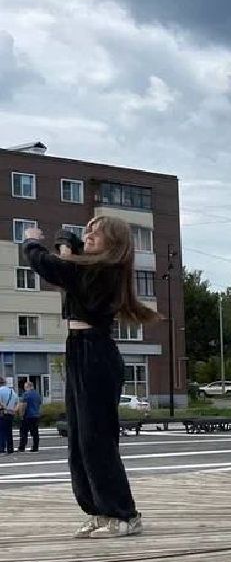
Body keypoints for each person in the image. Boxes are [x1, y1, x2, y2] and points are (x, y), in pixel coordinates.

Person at [20, 219, 158, 535]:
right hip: (78, 349)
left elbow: (52, 266)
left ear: (113, 243)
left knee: (97, 438)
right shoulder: (90, 269)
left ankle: (124, 513)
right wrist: (67, 243)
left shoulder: (105, 271)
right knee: (80, 438)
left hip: (96, 352)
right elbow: (67, 265)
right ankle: (98, 510)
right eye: (87, 232)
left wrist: (32, 241)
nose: (89, 236)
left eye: (96, 233)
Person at [17, 379, 42, 453]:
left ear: (28, 386)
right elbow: (40, 405)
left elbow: (24, 405)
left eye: (25, 387)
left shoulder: (26, 394)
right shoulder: (38, 394)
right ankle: (35, 447)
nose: (24, 388)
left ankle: (22, 447)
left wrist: (21, 415)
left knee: (24, 432)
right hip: (36, 416)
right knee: (35, 433)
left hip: (27, 416)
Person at [0, 377, 17, 454]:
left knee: (1, 431)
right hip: (11, 414)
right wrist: (13, 410)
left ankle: (1, 447)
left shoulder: (0, 391)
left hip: (2, 413)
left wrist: (4, 407)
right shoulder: (12, 391)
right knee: (9, 432)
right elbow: (17, 402)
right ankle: (10, 448)